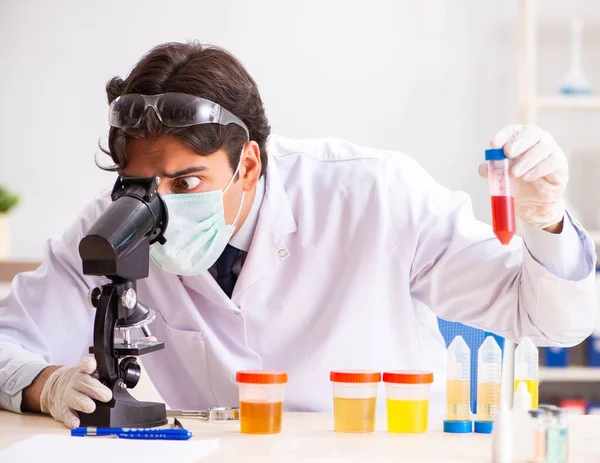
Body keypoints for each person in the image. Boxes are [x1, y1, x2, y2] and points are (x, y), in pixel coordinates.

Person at [0, 41, 596, 429]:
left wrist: (545, 217)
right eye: (143, 184)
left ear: (250, 164)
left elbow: (551, 323)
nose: (161, 207)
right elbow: (7, 341)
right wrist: (43, 383)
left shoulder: (376, 193)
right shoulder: (118, 224)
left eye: (186, 183)